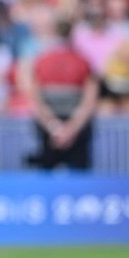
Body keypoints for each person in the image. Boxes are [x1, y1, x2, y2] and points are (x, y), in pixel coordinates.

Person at [27, 19, 97, 170]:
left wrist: (55, 128)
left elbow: (37, 103)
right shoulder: (83, 61)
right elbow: (88, 102)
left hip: (51, 131)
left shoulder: (41, 61)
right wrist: (71, 129)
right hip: (75, 131)